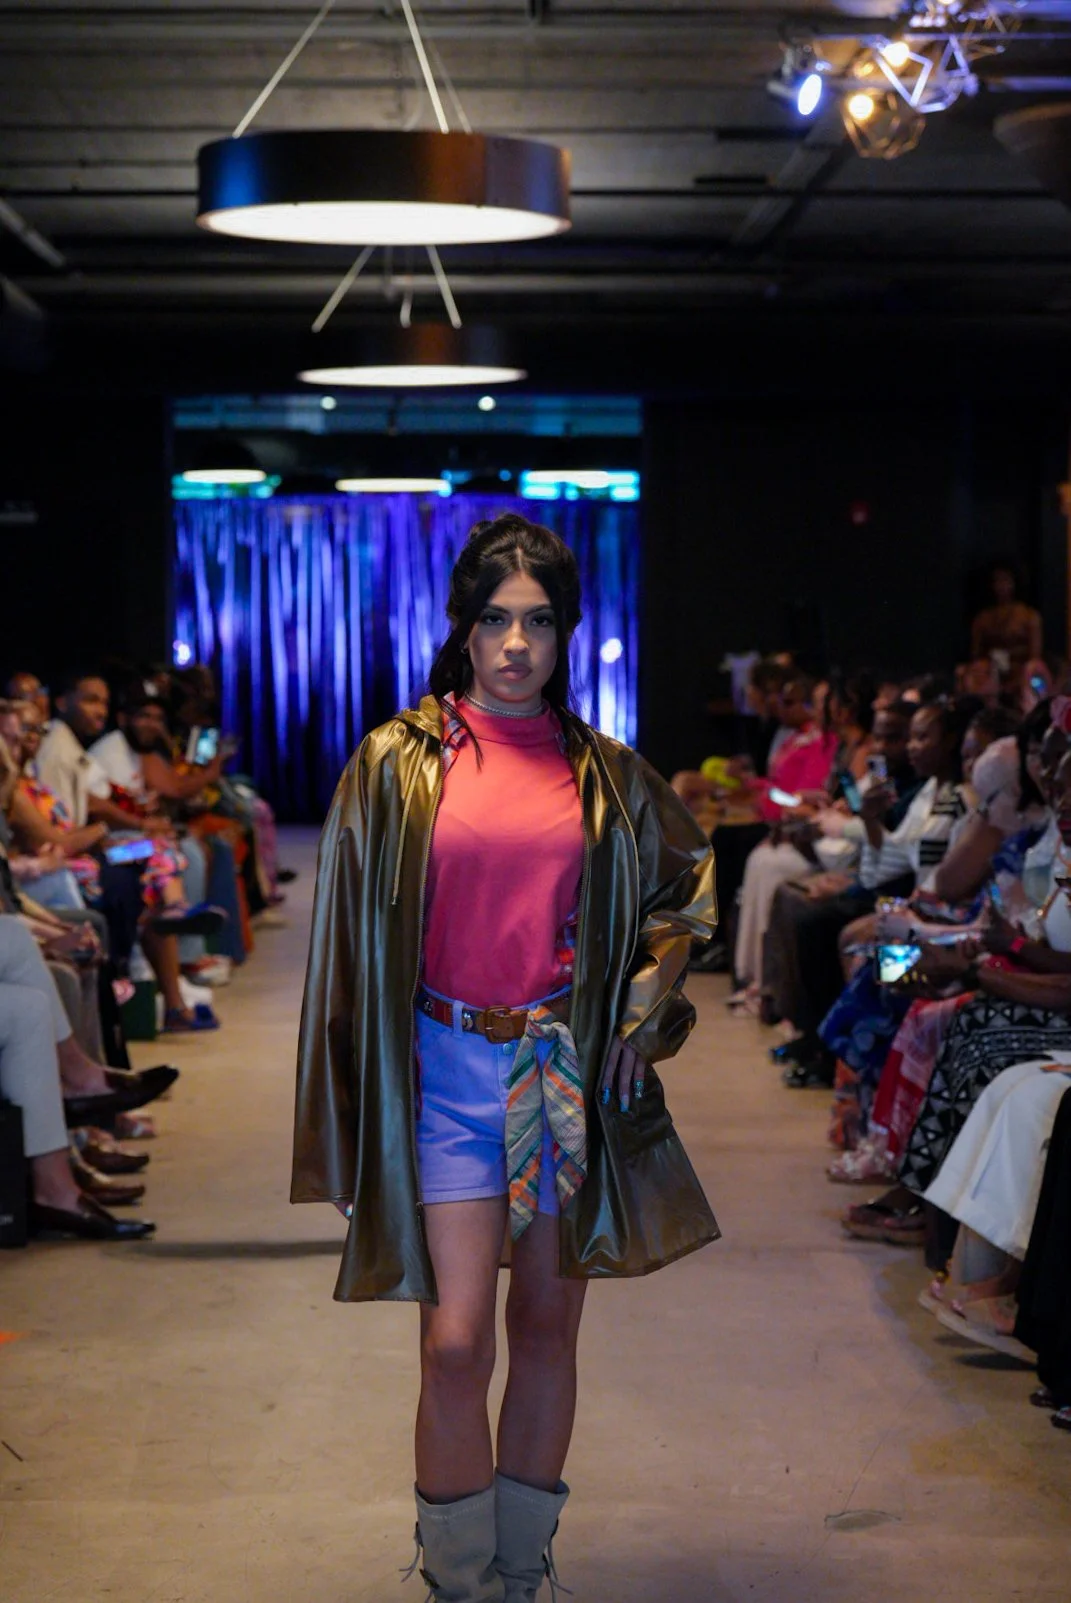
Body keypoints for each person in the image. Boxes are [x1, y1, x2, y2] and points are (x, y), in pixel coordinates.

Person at [292, 513, 718, 1603]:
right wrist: (353, 1121)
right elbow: (342, 951)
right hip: (436, 1070)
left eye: (537, 621)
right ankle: (459, 1579)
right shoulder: (397, 763)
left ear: (567, 631)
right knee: (452, 1342)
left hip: (551, 1079)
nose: (516, 643)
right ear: (465, 628)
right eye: (495, 620)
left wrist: (637, 1017)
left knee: (543, 1325)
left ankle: (517, 1578)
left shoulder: (609, 776)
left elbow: (683, 902)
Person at [969, 561, 1043, 692]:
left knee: (1034, 671)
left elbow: (1034, 656)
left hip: (1023, 675)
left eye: (1006, 581)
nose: (1001, 586)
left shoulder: (1029, 616)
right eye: (997, 581)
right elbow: (976, 654)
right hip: (991, 675)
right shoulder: (982, 618)